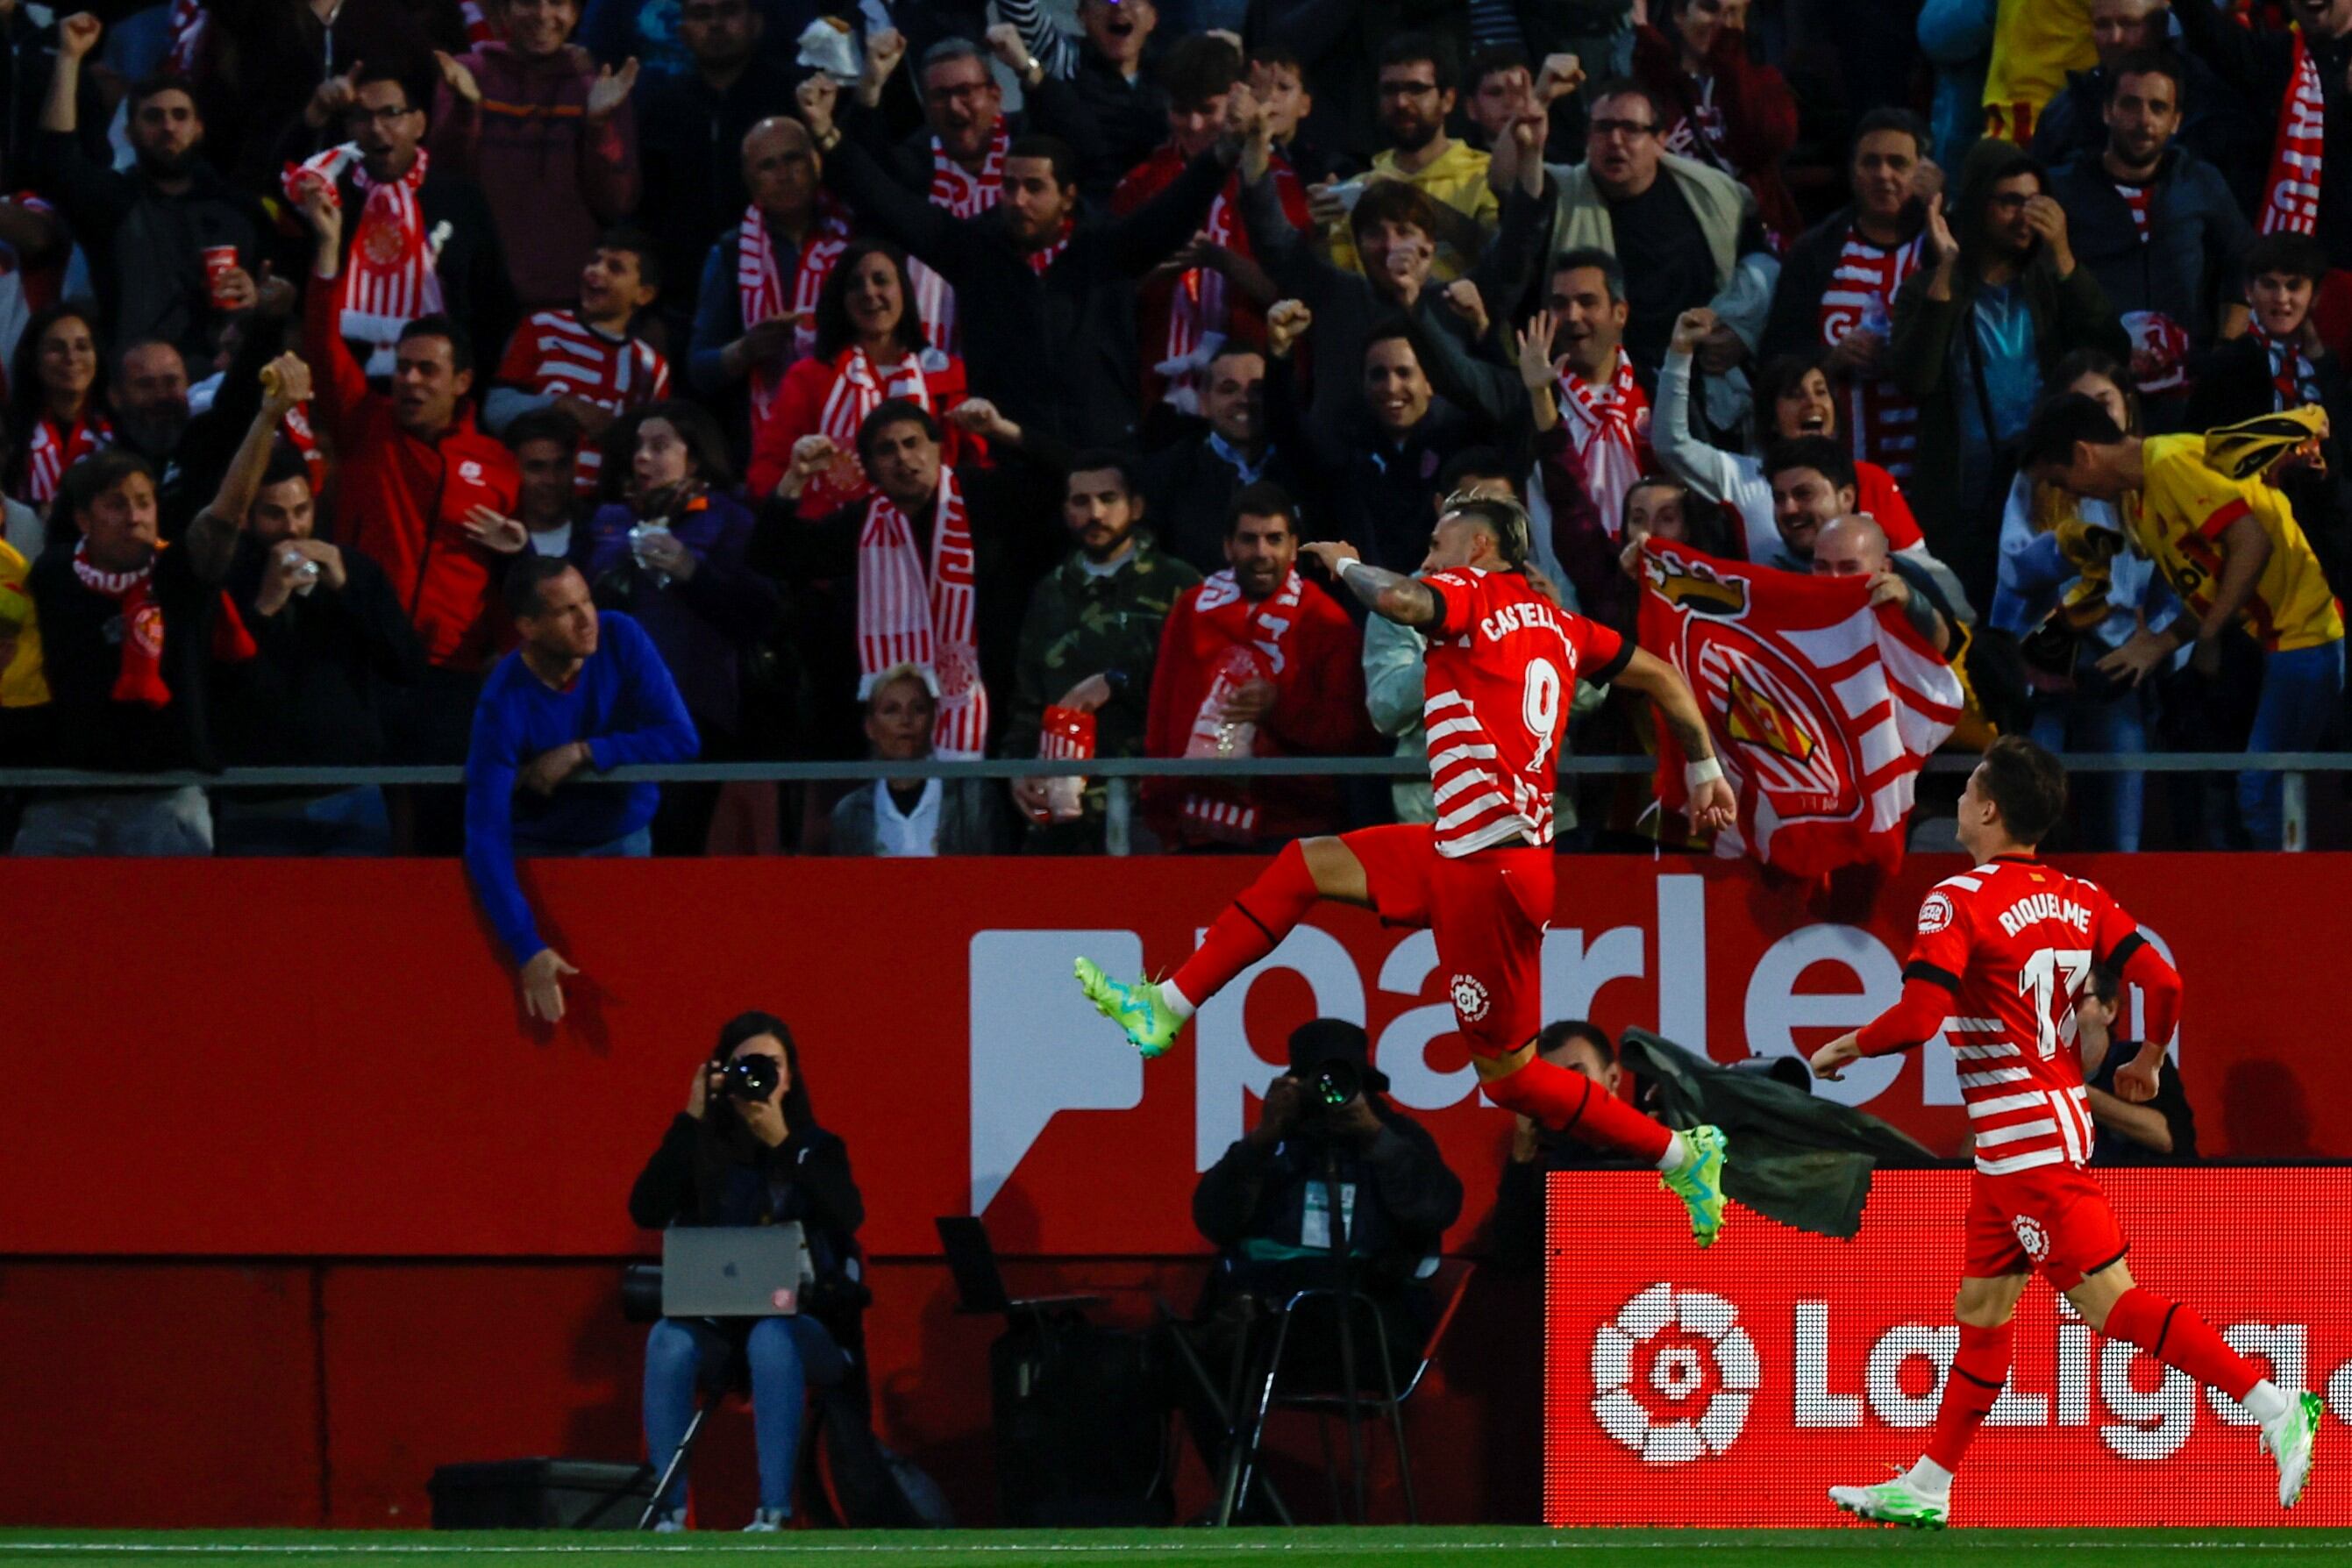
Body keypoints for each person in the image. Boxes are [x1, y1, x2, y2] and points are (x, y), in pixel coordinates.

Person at [1080, 494, 1739, 1248]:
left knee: (1513, 1079)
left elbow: (1396, 598)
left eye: (1439, 541)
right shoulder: (1561, 623)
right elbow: (1659, 675)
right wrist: (1703, 768)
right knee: (1303, 865)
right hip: (1460, 847)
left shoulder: (1473, 591)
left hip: (1488, 872)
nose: (1430, 556)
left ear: (1482, 544)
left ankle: (1686, 1155)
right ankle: (1164, 1004)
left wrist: (1344, 563)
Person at [1812, 735, 2319, 1529]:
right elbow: (2165, 979)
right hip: (2037, 1132)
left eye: (1967, 789)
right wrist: (2149, 1055)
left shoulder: (1958, 898)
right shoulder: (2081, 897)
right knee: (1982, 1309)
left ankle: (2272, 1400)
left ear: (1987, 808)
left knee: (2112, 1306)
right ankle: (1930, 1483)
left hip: (2026, 1142)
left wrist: (1847, 1044)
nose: (1957, 805)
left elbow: (1919, 1017)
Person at [799, 75, 1243, 452]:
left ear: (1068, 197)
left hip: (1102, 456)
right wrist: (825, 135)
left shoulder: (1105, 250)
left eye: (1034, 187)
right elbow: (889, 203)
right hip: (1008, 455)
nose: (1018, 200)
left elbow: (1171, 212)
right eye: (1009, 186)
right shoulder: (973, 251)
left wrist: (1223, 153)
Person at [2018, 392, 2346, 849]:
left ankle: (2291, 908)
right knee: (2252, 791)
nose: (2069, 494)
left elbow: (2251, 545)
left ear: (2083, 454)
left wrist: (2207, 639)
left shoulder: (2170, 464)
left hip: (2307, 639)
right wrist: (2161, 643)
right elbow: (2218, 581)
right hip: (2276, 644)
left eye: (2061, 480)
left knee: (2261, 791)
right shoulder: (2140, 500)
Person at [11, 360, 293, 855]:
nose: (136, 516)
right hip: (63, 794)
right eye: (116, 504)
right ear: (82, 519)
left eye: (144, 502)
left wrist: (267, 420)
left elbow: (225, 515)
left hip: (166, 800)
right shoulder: (52, 577)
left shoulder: (178, 574)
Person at [1176, 1018, 1464, 1502]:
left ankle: (1257, 1513)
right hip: (1268, 1332)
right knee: (1181, 1358)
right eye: (1321, 1086)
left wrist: (1375, 1137)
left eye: (1344, 1087)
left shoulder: (1397, 1137)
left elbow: (1439, 1207)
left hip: (1365, 1333)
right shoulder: (1276, 1145)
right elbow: (1214, 1219)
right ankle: (1256, 1513)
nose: (1333, 1098)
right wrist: (1264, 1138)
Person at [304, 178, 524, 772]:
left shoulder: (501, 467)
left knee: (436, 830)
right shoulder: (363, 424)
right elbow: (323, 347)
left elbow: (503, 579)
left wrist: (509, 655)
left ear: (461, 383)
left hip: (451, 672)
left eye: (428, 370)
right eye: (403, 368)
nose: (410, 381)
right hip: (359, 658)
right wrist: (327, 251)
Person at [631, 1011, 863, 1533]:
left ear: (791, 1076)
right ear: (721, 1073)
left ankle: (774, 1512)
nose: (758, 1078)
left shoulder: (816, 1148)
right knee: (668, 1340)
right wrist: (690, 1119)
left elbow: (848, 1215)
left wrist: (784, 1144)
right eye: (744, 1066)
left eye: (771, 1066)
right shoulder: (703, 1150)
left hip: (804, 1330)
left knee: (771, 1335)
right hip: (716, 1331)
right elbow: (645, 1209)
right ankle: (667, 1513)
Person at [1890, 138, 2128, 605]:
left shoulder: (2050, 281)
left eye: (2035, 202)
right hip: (1963, 502)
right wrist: (1949, 269)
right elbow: (1914, 380)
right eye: (2010, 202)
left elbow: (2112, 350)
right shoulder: (1927, 289)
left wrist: (2063, 255)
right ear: (1979, 204)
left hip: (2048, 491)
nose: (2025, 216)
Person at [464, 555, 698, 1023]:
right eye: (567, 610)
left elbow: (681, 739)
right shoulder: (503, 698)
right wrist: (526, 947)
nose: (587, 618)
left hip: (625, 841)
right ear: (528, 627)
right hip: (543, 853)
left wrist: (584, 752)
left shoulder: (621, 636)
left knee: (632, 997)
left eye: (587, 600)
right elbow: (484, 834)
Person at [762, 396, 1052, 762]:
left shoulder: (983, 495)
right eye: (887, 450)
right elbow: (771, 556)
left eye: (912, 443)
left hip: (993, 706)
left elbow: (1066, 478)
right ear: (870, 469)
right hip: (893, 725)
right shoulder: (862, 523)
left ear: (938, 449)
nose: (902, 458)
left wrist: (999, 429)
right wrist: (797, 476)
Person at [214, 396, 430, 858]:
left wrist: (347, 590)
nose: (292, 527)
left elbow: (407, 665)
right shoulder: (227, 582)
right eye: (274, 514)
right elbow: (226, 689)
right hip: (259, 804)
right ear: (249, 516)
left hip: (351, 797)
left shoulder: (355, 571)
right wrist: (265, 608)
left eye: (301, 510)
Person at [1992, 351, 2179, 852]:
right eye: (2079, 403)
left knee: (2119, 817)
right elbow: (2014, 569)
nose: (2095, 413)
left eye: (2105, 401)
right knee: (2029, 813)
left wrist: (2158, 638)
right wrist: (2066, 547)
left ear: (2128, 409)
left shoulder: (2155, 474)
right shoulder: (2037, 478)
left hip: (2119, 660)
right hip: (2043, 660)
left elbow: (2178, 579)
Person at [581, 402, 775, 855]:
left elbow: (760, 615)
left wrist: (693, 572)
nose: (641, 458)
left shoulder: (730, 518)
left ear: (696, 457)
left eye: (659, 446)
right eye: (637, 447)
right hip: (618, 718)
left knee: (677, 849)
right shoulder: (611, 519)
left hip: (697, 713)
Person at [1139, 481, 1367, 849]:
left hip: (1293, 825)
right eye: (1249, 539)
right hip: (1198, 824)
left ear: (1294, 547)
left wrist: (1280, 707)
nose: (1261, 552)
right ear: (1228, 547)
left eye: (1274, 539)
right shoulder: (1192, 609)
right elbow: (1163, 713)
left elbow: (1351, 732)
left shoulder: (1325, 621)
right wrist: (1162, 811)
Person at [35, 18, 271, 369]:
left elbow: (282, 299)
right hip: (133, 388)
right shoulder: (111, 203)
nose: (168, 127)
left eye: (180, 116)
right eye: (154, 117)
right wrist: (69, 58)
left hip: (218, 384)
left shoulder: (241, 210)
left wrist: (256, 298)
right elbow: (56, 159)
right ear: (129, 132)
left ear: (199, 128)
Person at [1001, 453, 1201, 852]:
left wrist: (1123, 681)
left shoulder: (1179, 585)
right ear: (1065, 511)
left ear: (1136, 506)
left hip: (1154, 808)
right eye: (1081, 502)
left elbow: (1202, 684)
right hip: (1062, 813)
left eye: (1108, 498)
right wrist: (1018, 769)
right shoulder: (1049, 592)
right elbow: (1026, 699)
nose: (1095, 512)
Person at [280, 60, 517, 383]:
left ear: (419, 123)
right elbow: (278, 183)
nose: (377, 129)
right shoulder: (331, 193)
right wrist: (316, 113)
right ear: (348, 129)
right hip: (345, 385)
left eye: (391, 113)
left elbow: (493, 302)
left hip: (440, 390)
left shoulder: (460, 198)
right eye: (362, 117)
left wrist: (471, 386)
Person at [1108, 34, 1306, 417]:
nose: (1194, 124)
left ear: (1236, 98)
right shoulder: (1140, 184)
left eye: (1207, 109)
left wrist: (1219, 260)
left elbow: (1295, 297)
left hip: (1254, 395)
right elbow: (1107, 295)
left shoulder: (1277, 182)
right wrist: (1151, 272)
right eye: (1181, 110)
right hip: (1158, 396)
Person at [2045, 53, 2250, 415]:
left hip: (2188, 400)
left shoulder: (2201, 182)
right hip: (2096, 398)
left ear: (2176, 121)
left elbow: (2245, 262)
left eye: (2158, 108)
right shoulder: (2063, 188)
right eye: (2130, 105)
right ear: (2106, 111)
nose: (2144, 121)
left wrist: (2224, 348)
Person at [1658, 310, 1935, 570]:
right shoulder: (1742, 477)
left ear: (1847, 496)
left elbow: (1928, 575)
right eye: (1795, 394)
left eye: (1821, 392)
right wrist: (1680, 353)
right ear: (1772, 419)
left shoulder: (1872, 480)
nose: (1812, 403)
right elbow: (1671, 444)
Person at [1540, 77, 1771, 374]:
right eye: (1604, 128)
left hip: (1700, 373)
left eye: (1631, 129)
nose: (1615, 140)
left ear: (1661, 140)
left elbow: (1760, 265)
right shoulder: (1561, 194)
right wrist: (1537, 104)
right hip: (1603, 382)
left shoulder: (1713, 194)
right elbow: (1509, 183)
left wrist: (1741, 332)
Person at [430, 0, 642, 310]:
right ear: (503, 11)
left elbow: (617, 203)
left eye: (557, 3)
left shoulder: (600, 85)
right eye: (528, 2)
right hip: (478, 293)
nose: (543, 15)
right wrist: (465, 108)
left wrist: (599, 126)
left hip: (571, 295)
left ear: (575, 14)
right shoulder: (467, 73)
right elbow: (447, 181)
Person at [744, 238, 973, 520]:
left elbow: (976, 465)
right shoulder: (809, 378)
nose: (869, 292)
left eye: (881, 280)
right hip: (836, 537)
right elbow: (765, 476)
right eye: (855, 284)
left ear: (904, 290)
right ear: (841, 300)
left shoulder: (948, 375)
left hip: (937, 531)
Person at [1759, 109, 1934, 479]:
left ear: (1923, 173)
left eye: (1897, 163)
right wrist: (1829, 361)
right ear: (1853, 170)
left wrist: (1944, 210)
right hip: (1834, 476)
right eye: (1871, 162)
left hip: (1926, 472)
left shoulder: (1941, 249)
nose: (1883, 175)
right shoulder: (1815, 251)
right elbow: (1775, 357)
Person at [632, 0, 803, 330]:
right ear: (681, 32)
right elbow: (645, 214)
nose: (716, 24)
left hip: (786, 293)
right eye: (701, 14)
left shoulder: (796, 97)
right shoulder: (661, 107)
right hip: (684, 303)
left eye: (729, 11)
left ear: (756, 23)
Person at [688, 118, 847, 451]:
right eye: (767, 166)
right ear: (750, 181)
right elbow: (699, 368)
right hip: (764, 438)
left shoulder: (855, 236)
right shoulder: (730, 254)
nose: (783, 174)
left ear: (816, 161)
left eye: (793, 159)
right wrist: (746, 350)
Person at [2028, 0, 2267, 217]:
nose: (2115, 38)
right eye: (2102, 25)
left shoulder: (2210, 102)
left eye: (2129, 24)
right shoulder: (2064, 111)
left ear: (2161, 26)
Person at [486, 231, 672, 499]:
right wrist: (561, 404)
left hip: (603, 508)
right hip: (529, 499)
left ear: (643, 294)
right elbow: (496, 409)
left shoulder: (652, 367)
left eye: (615, 268)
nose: (596, 272)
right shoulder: (542, 328)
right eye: (594, 261)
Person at [1319, 34, 1499, 284]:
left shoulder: (1486, 174)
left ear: (1448, 99)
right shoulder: (1360, 189)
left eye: (1416, 89)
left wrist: (1406, 196)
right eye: (1389, 90)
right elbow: (1338, 288)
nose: (1401, 103)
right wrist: (1318, 230)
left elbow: (1498, 257)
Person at [1630, 0, 1801, 246]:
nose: (1722, 23)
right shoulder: (1654, 85)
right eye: (1710, 9)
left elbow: (1769, 140)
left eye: (1733, 13)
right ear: (1679, 13)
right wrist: (1649, 44)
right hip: (1672, 236)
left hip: (1748, 238)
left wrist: (1729, 63)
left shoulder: (1765, 82)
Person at [1489, 1022, 1646, 1271]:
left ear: (1613, 1077)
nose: (1565, 1092)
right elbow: (1512, 1259)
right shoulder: (1550, 1168)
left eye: (1576, 1076)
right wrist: (1521, 1157)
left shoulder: (1660, 1150)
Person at [1134, 346, 1292, 575]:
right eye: (1229, 390)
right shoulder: (1164, 475)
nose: (1245, 400)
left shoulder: (1304, 470)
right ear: (1204, 402)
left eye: (1258, 390)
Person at [829, 664, 1013, 856]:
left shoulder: (973, 801)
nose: (905, 720)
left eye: (918, 709)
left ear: (933, 719)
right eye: (892, 710)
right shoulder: (850, 813)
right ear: (870, 727)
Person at [2075, 961, 2199, 1164]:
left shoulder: (2140, 1062)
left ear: (2110, 1009)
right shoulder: (2027, 1072)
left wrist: (2074, 1092)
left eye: (2077, 999)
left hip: (2144, 1192)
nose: (2064, 1011)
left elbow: (2168, 1137)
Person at [6, 303, 111, 514]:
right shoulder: (7, 430)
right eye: (56, 348)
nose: (71, 358)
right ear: (33, 359)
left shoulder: (121, 428)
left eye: (82, 347)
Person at [502, 409, 587, 561]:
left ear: (576, 466)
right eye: (536, 467)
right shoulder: (493, 545)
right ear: (511, 469)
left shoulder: (600, 534)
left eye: (561, 465)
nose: (551, 480)